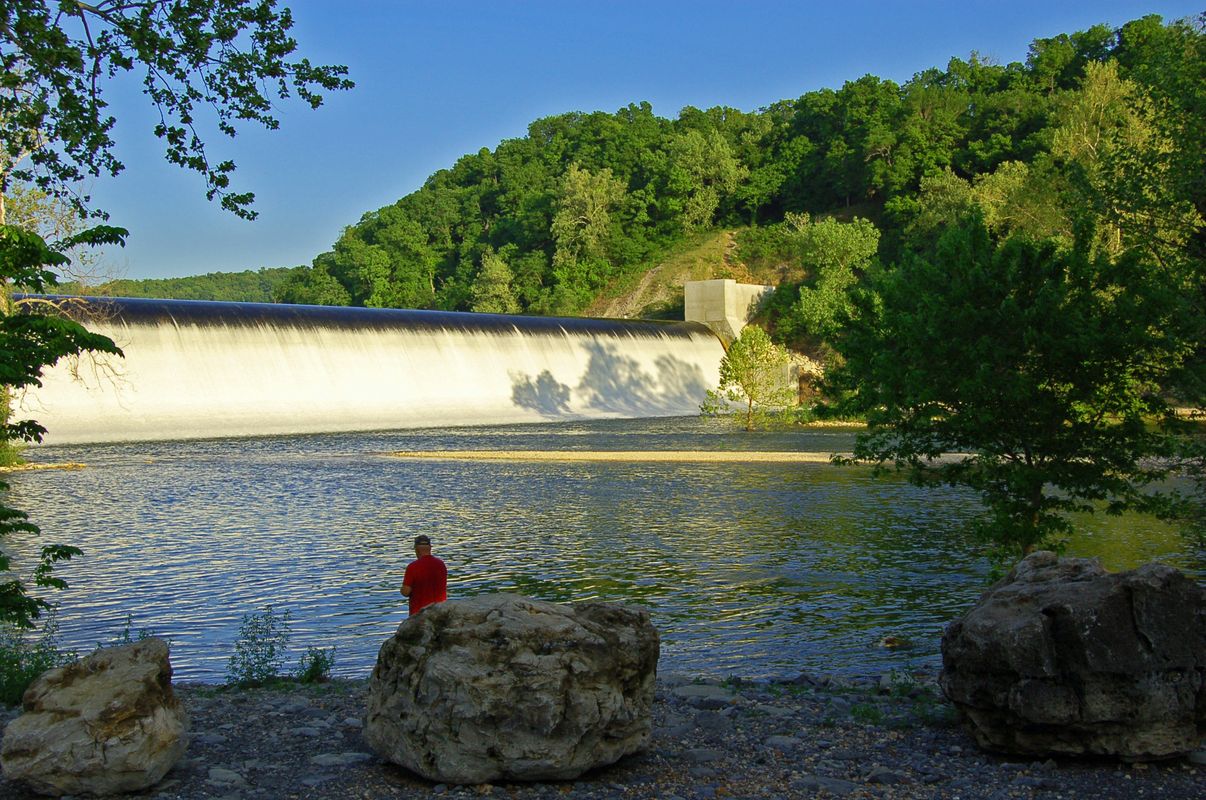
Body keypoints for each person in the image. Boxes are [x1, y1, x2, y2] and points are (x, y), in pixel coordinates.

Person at [401, 534, 447, 615]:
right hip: (440, 612)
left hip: (419, 615)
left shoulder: (413, 567)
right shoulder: (441, 564)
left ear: (416, 549)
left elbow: (406, 592)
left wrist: (402, 590)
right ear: (430, 548)